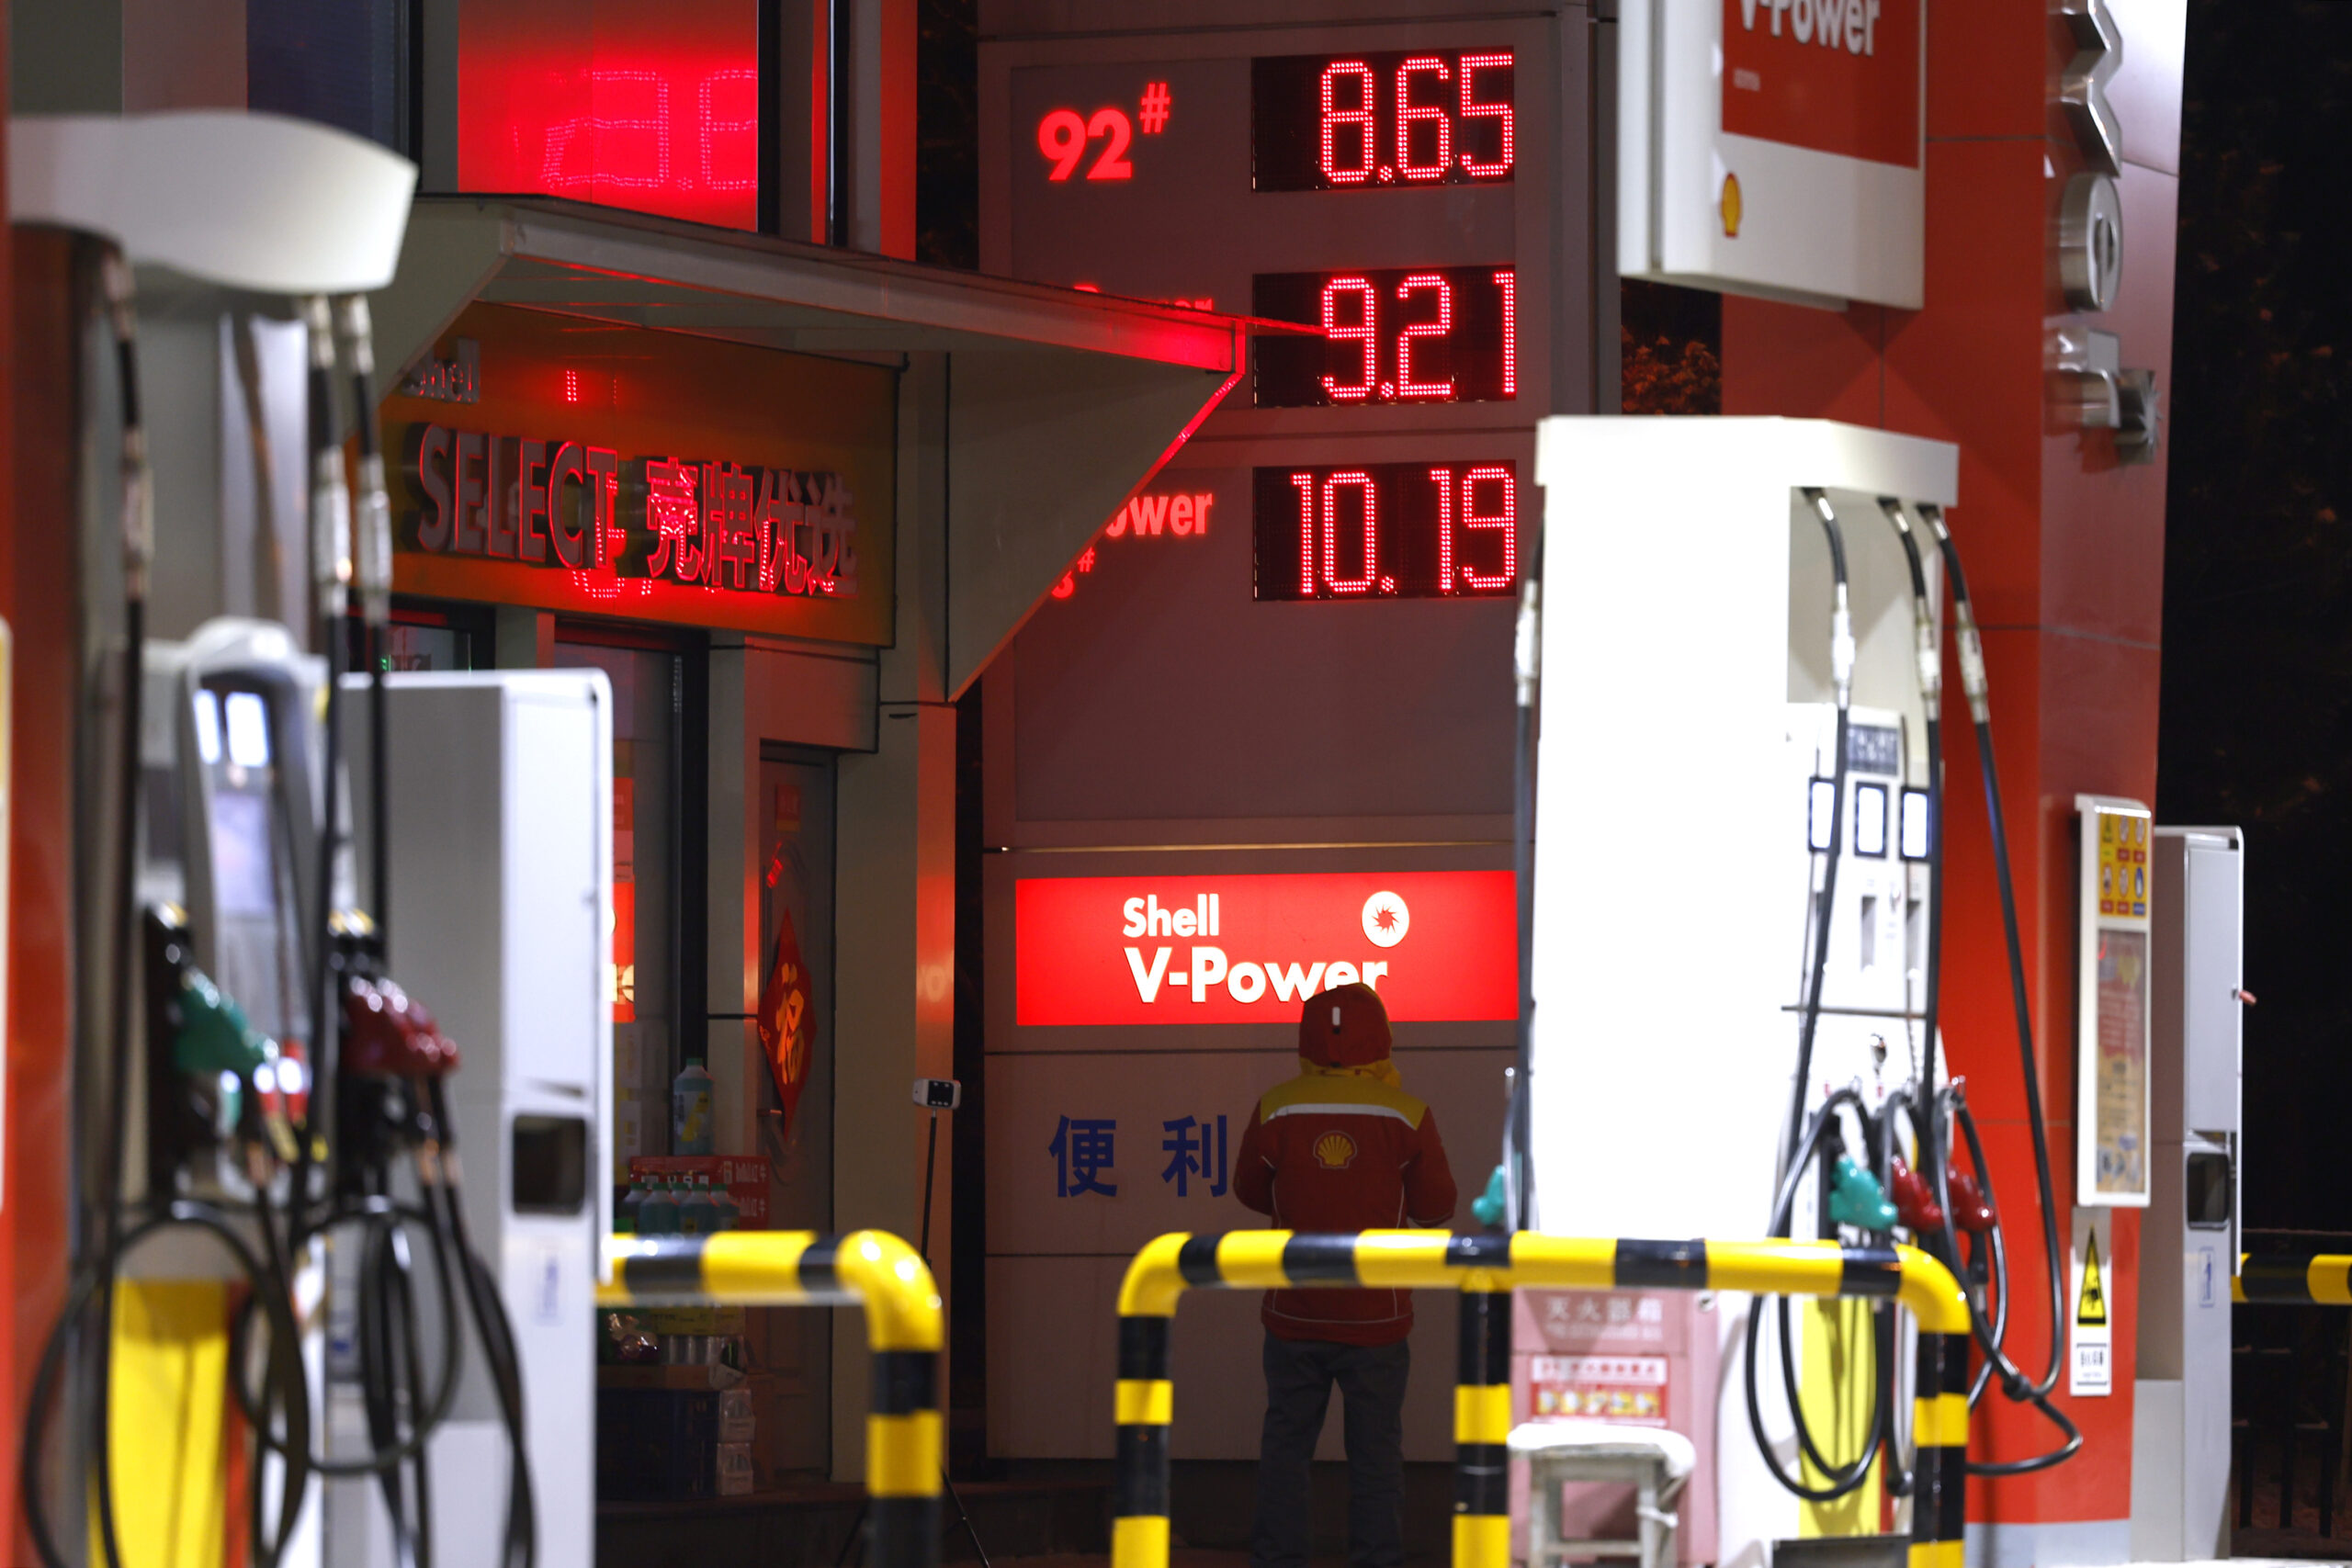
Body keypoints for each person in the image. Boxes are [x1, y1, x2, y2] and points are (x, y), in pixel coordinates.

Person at [1235, 981, 1457, 1568]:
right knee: (1376, 1458)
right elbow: (1437, 1208)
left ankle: (1278, 1560)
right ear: (1381, 1039)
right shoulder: (1407, 1114)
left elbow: (1250, 1192)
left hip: (1292, 1314)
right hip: (1377, 1320)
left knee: (1285, 1451)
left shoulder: (1276, 1107)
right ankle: (1376, 1559)